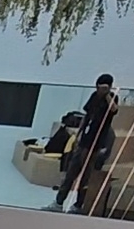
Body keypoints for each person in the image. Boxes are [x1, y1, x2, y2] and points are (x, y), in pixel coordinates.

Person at [47, 75, 119, 214]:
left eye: (103, 87)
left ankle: (78, 205)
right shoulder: (94, 96)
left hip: (95, 144)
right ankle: (59, 202)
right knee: (70, 173)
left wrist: (107, 95)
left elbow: (114, 110)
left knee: (85, 177)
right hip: (84, 141)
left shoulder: (112, 98)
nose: (100, 90)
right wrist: (79, 134)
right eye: (99, 87)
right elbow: (86, 114)